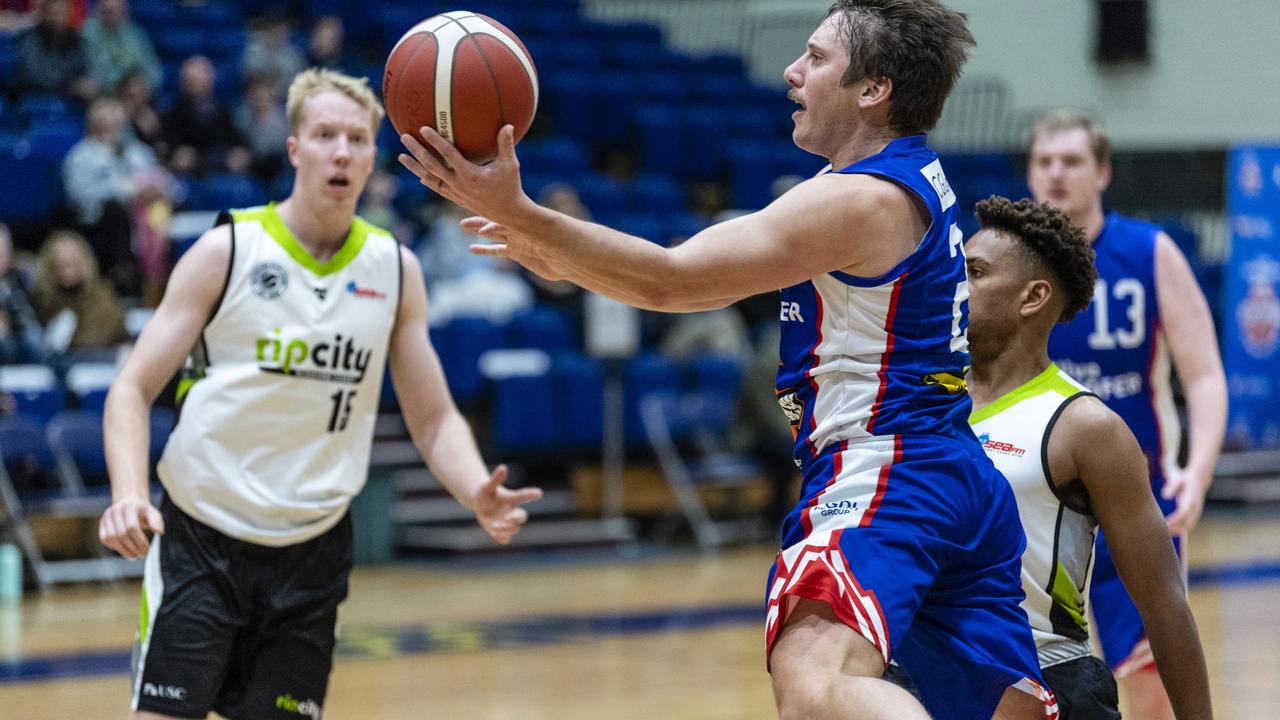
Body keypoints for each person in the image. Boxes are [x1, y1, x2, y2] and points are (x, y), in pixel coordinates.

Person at [399, 2, 1057, 718]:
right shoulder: (910, 183)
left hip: (885, 467)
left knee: (814, 683)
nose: (791, 70)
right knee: (997, 709)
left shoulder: (860, 199)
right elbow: (660, 281)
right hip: (951, 473)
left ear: (873, 90)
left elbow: (671, 280)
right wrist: (543, 242)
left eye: (816, 57)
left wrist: (523, 212)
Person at [97, 68, 541, 720]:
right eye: (325, 134)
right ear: (294, 148)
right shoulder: (228, 250)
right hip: (203, 536)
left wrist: (475, 487)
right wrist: (129, 496)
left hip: (312, 551)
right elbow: (131, 390)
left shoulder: (394, 268)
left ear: (371, 155)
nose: (342, 151)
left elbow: (434, 415)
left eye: (357, 138)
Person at [888, 196, 1213, 718]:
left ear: (1033, 296)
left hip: (1045, 679)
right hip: (914, 681)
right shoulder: (915, 402)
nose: (954, 283)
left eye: (973, 272)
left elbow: (1164, 604)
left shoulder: (1085, 427)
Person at [1028, 110, 1228, 719]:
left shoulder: (1150, 251)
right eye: (1044, 161)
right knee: (1033, 683)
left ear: (1103, 171)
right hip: (1035, 499)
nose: (1056, 174)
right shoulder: (1009, 264)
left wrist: (1198, 469)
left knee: (1150, 679)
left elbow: (1204, 375)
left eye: (1072, 161)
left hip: (1136, 497)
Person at [30, 229, 128, 353]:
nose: (66, 271)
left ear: (84, 262)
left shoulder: (102, 296)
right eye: (59, 265)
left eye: (71, 264)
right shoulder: (41, 299)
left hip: (98, 362)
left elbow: (107, 334)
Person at [81, 0, 162, 95]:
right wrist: (125, 83)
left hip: (138, 92)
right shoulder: (89, 32)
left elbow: (154, 71)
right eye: (105, 12)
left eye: (114, 12)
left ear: (124, 12)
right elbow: (97, 72)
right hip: (106, 93)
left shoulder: (135, 33)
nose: (109, 17)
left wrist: (144, 85)